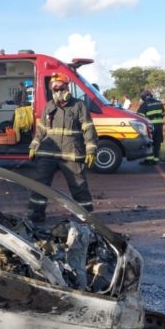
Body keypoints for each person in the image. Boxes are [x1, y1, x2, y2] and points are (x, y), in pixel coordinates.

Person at [26, 72, 97, 221]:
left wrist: (91, 150)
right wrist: (33, 146)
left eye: (60, 88)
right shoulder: (49, 106)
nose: (57, 91)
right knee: (40, 184)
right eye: (54, 89)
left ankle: (85, 215)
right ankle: (36, 213)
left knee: (79, 186)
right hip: (47, 153)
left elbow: (88, 129)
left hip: (71, 153)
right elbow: (41, 130)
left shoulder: (79, 105)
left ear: (67, 88)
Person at [137, 90, 165, 164]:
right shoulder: (159, 102)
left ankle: (148, 159)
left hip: (149, 126)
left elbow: (139, 116)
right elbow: (163, 113)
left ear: (144, 97)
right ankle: (156, 159)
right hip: (159, 125)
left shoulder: (144, 104)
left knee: (148, 142)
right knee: (157, 142)